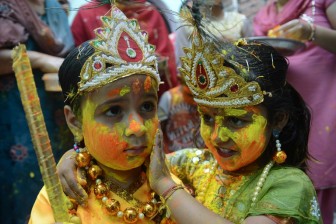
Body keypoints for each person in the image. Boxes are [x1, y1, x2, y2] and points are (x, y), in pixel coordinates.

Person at [57, 2, 323, 222]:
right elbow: (130, 155)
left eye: (236, 120)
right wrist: (76, 154)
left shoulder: (290, 185)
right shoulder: (198, 165)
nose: (218, 135)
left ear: (277, 119)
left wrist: (165, 185)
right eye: (207, 118)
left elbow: (158, 173)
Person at [28, 5, 177, 223]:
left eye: (147, 107)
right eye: (114, 111)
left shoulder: (172, 182)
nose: (137, 127)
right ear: (74, 121)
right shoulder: (60, 201)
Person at [253, 1, 336, 223]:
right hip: (283, 114)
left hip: (323, 107)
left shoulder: (319, 3)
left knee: (318, 177)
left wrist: (311, 31)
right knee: (284, 182)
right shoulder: (264, 15)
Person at [0, 0, 74, 223]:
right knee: (23, 188)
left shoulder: (55, 8)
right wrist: (40, 60)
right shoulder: (6, 6)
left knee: (62, 184)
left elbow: (67, 56)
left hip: (56, 114)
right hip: (15, 119)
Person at [159, 0, 251, 153]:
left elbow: (251, 64)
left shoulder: (240, 21)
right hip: (194, 99)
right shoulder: (188, 25)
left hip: (237, 98)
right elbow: (182, 65)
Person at [70, 0, 179, 97]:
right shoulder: (86, 14)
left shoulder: (150, 12)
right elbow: (76, 68)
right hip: (104, 99)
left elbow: (167, 62)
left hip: (148, 96)